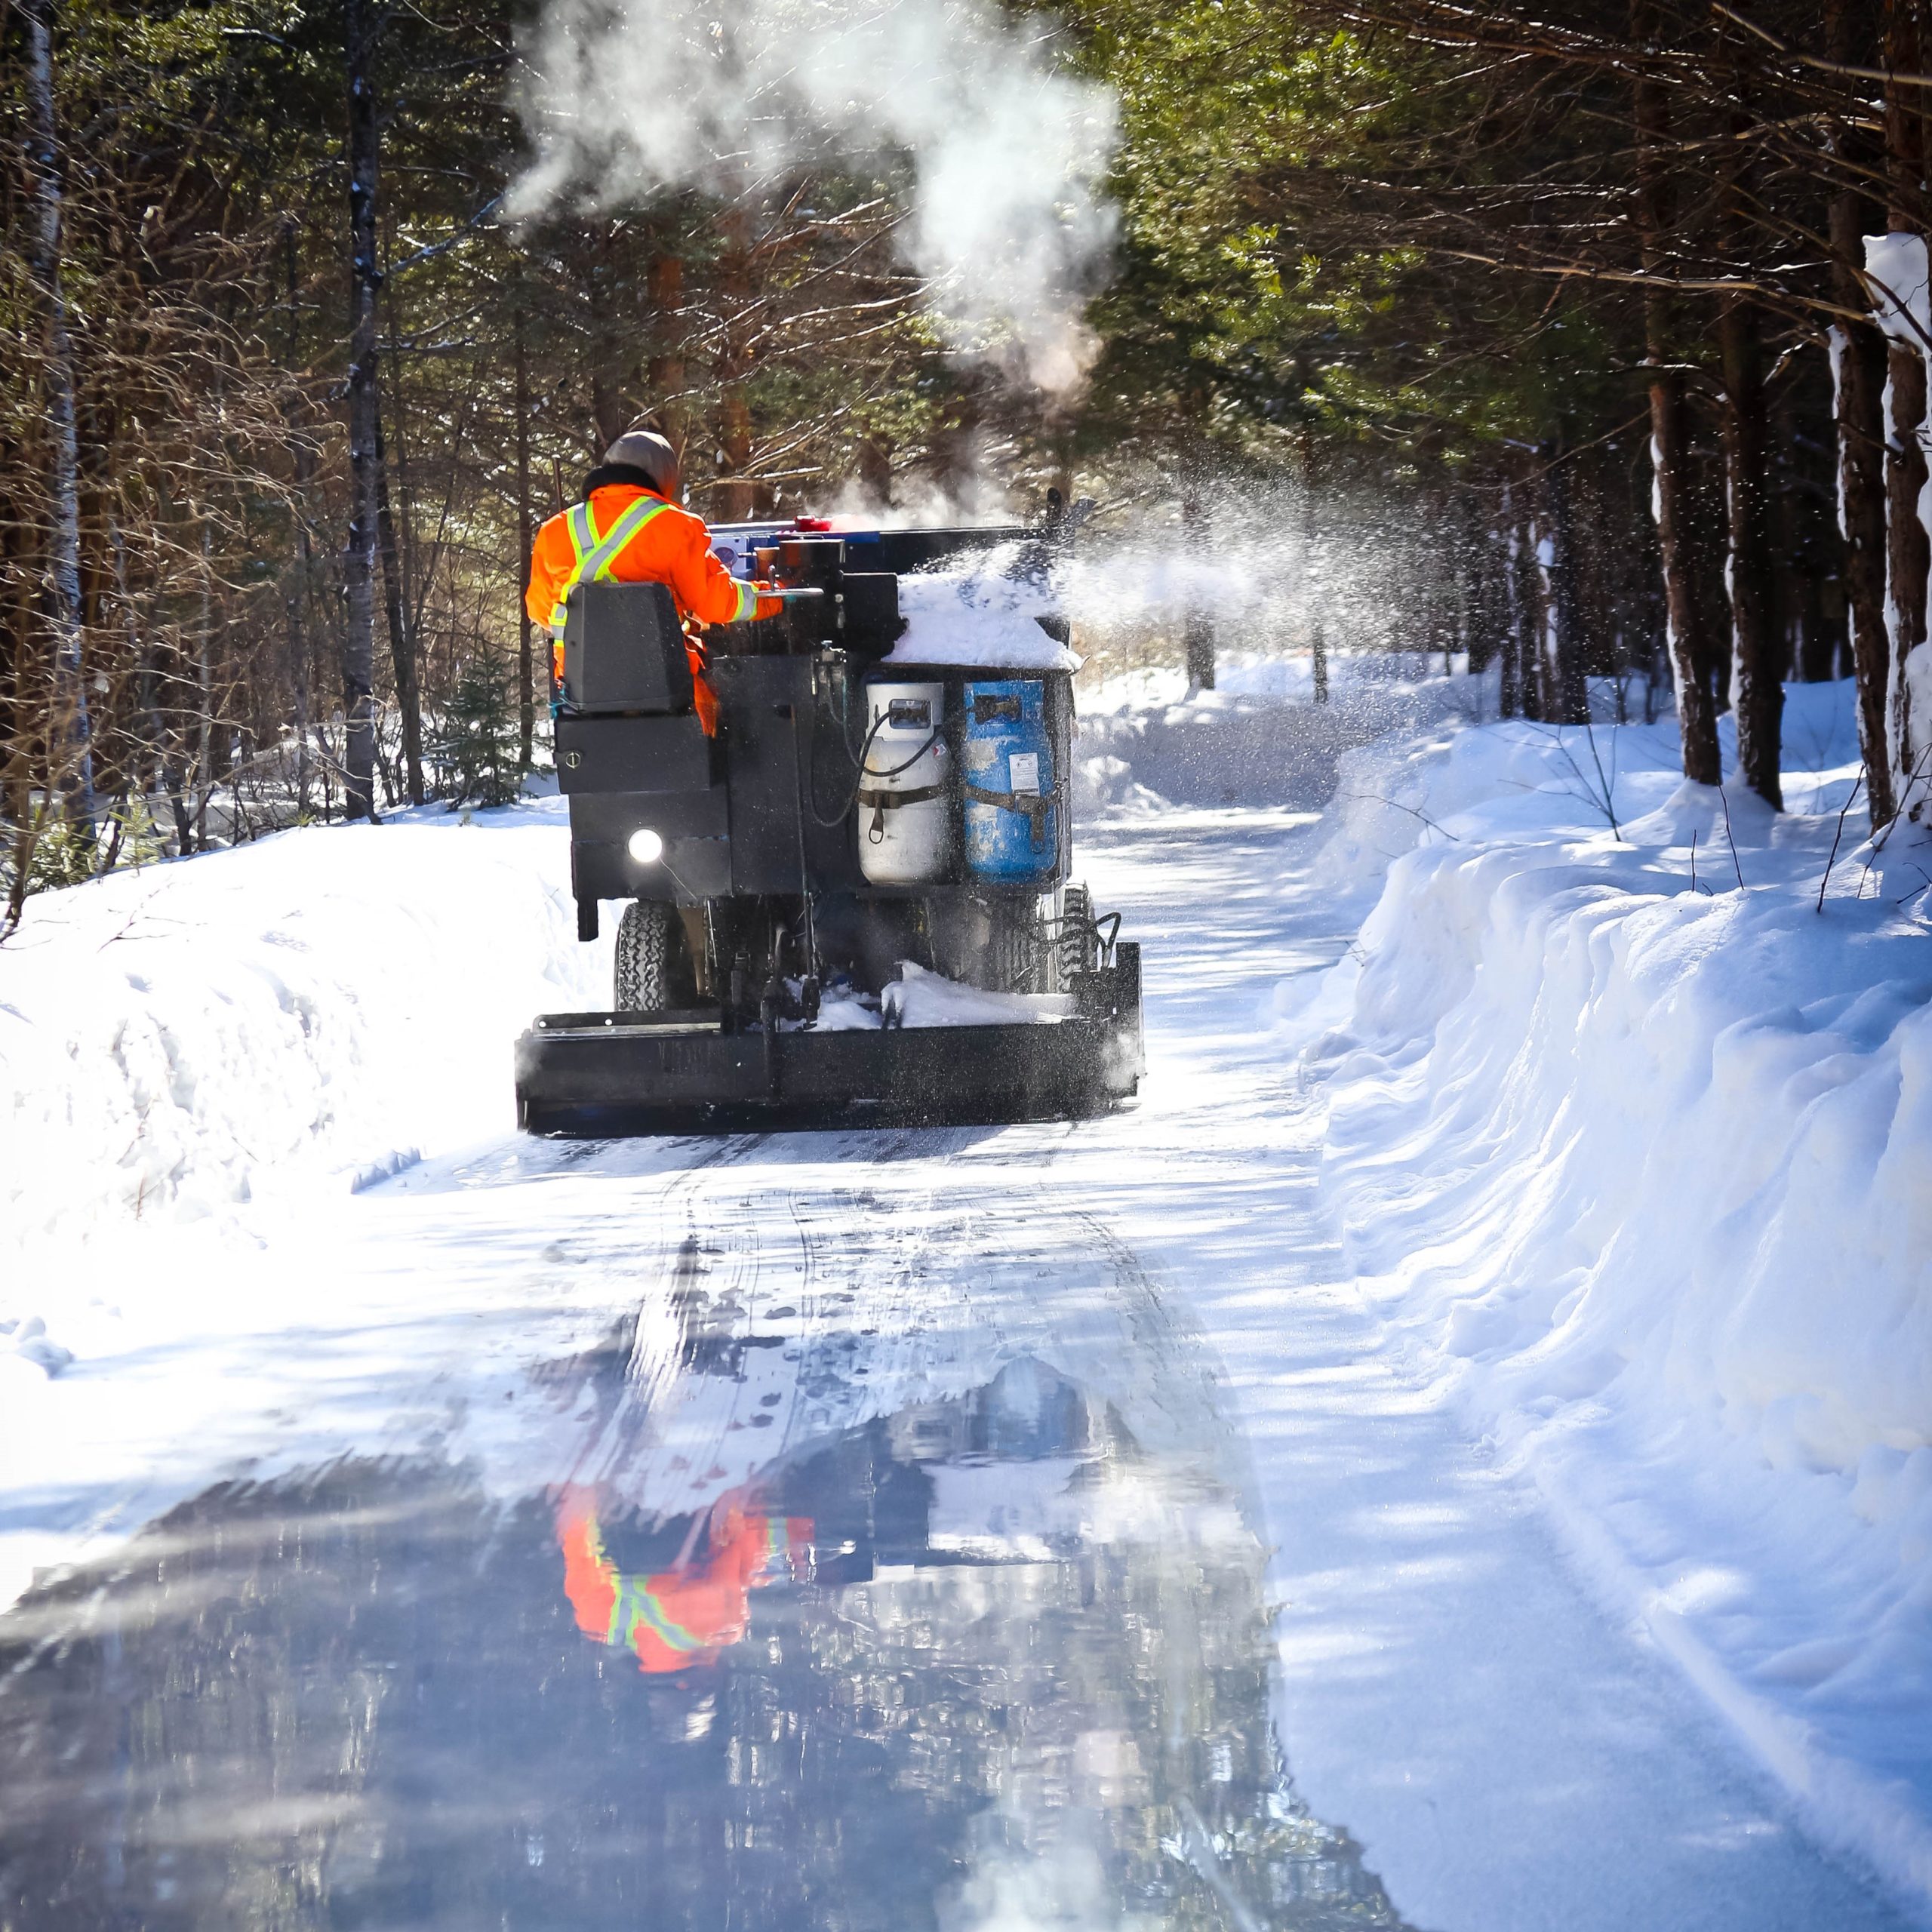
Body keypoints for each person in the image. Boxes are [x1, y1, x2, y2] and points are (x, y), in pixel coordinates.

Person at [525, 428, 784, 734]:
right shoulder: (677, 525)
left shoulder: (555, 530)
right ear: (664, 477)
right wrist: (776, 596)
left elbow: (540, 611)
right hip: (667, 688)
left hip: (581, 696)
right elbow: (716, 604)